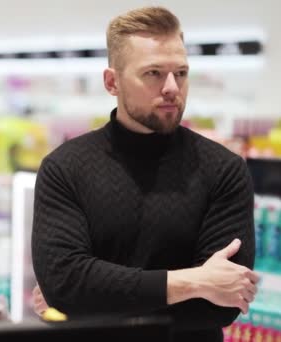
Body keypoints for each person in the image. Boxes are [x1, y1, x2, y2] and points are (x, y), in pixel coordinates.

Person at [30, 6, 258, 342]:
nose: (171, 88)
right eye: (153, 73)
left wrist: (94, 297)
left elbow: (221, 306)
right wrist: (195, 282)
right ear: (112, 82)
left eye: (180, 73)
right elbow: (67, 284)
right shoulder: (64, 168)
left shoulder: (223, 169)